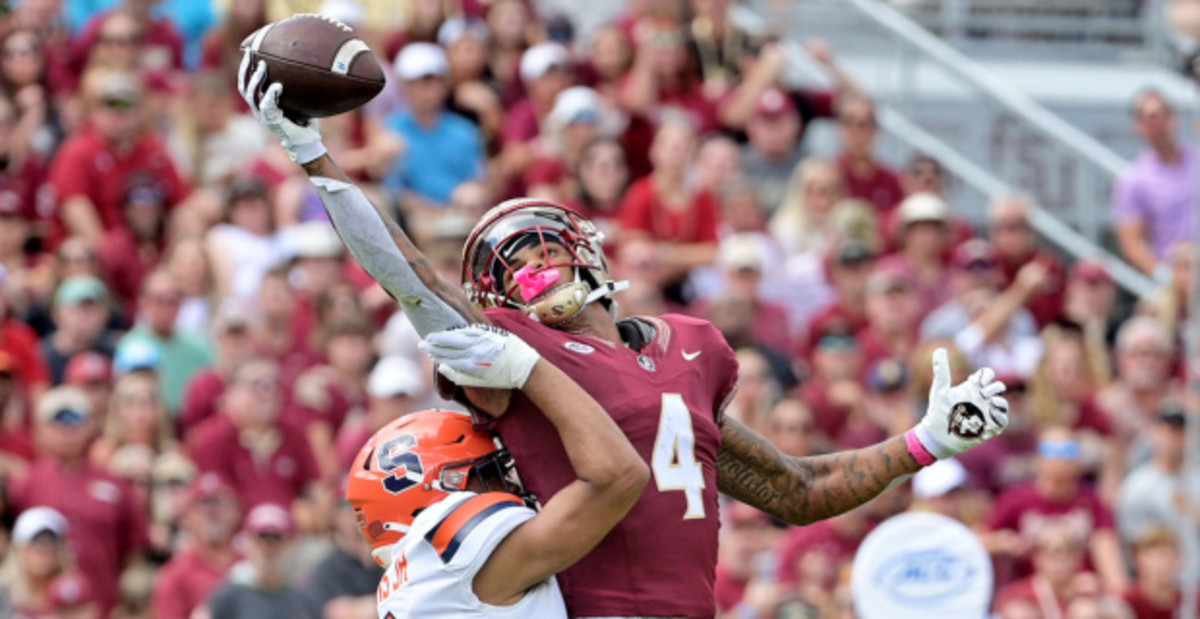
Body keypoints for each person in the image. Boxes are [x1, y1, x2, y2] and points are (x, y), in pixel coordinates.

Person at [240, 54, 1011, 619]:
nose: (536, 266)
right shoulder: (511, 354)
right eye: (513, 267)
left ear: (593, 252)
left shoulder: (690, 348)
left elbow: (796, 489)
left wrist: (924, 442)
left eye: (545, 244)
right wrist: (313, 156)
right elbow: (409, 275)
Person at [349, 321, 650, 617]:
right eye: (489, 474)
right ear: (441, 488)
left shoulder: (417, 579)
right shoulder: (459, 558)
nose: (512, 485)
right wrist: (527, 369)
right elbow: (618, 476)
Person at [8, 387, 149, 614]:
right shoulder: (28, 483)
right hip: (41, 611)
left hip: (103, 606)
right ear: (42, 429)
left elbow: (134, 548)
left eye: (74, 422)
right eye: (58, 423)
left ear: (90, 426)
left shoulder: (115, 485)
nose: (66, 432)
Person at [1113, 90, 1194, 278]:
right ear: (1138, 127)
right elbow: (1132, 244)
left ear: (1173, 118)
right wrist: (1166, 278)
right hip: (1178, 281)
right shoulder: (1134, 180)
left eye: (1159, 116)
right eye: (1148, 119)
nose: (1156, 125)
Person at [151, 473, 241, 619]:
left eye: (220, 503)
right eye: (203, 505)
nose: (212, 513)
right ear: (188, 517)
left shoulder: (253, 564)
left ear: (237, 511)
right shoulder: (175, 574)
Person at [204, 503, 318, 618]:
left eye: (275, 539)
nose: (267, 548)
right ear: (247, 542)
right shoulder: (228, 595)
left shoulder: (301, 594)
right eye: (261, 539)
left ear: (289, 545)